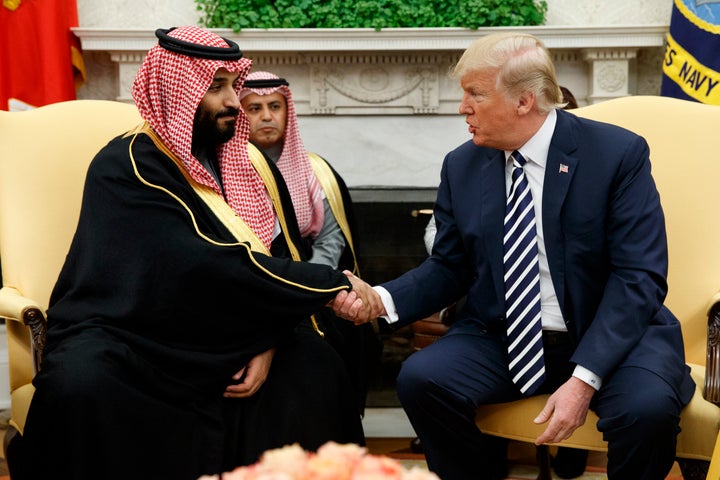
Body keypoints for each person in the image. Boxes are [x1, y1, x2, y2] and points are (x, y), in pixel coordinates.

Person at [333, 32, 695, 480]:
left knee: (647, 411)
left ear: (524, 101)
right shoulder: (462, 164)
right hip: (505, 335)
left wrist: (584, 380)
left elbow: (638, 277)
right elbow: (450, 266)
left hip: (611, 333)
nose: (462, 107)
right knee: (422, 380)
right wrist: (380, 300)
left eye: (474, 94)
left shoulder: (617, 154)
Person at [19, 26, 369, 480]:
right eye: (215, 87)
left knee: (314, 368)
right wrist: (331, 284)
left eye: (232, 86)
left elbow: (280, 254)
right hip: (133, 334)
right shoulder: (127, 166)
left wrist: (268, 337)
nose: (232, 102)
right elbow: (202, 262)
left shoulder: (246, 165)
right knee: (81, 384)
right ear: (176, 93)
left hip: (232, 330)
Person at [239, 71, 381, 416]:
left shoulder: (316, 170)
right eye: (254, 108)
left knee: (349, 331)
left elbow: (332, 238)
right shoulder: (231, 168)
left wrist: (309, 284)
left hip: (313, 280)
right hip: (252, 283)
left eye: (275, 106)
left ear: (288, 111)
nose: (267, 116)